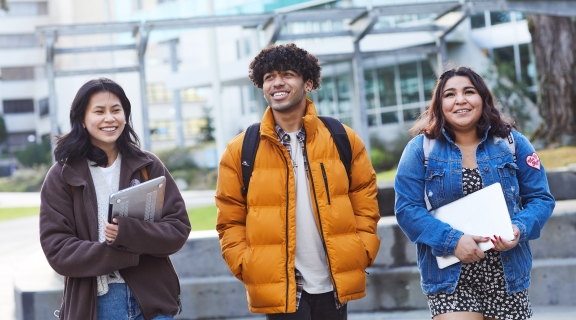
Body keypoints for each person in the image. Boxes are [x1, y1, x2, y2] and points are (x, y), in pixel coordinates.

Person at [215, 43, 381, 319]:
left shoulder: (342, 138)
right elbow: (229, 219)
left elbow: (365, 202)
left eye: (288, 74)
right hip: (281, 286)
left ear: (308, 82)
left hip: (333, 282)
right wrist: (247, 264)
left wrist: (361, 251)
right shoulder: (242, 149)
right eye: (269, 77)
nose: (277, 83)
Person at [394, 66, 555, 320]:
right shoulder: (419, 150)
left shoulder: (513, 143)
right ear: (439, 104)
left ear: (482, 98)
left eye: (469, 91)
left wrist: (518, 228)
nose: (460, 100)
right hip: (450, 278)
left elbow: (541, 199)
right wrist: (453, 241)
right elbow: (407, 210)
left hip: (507, 272)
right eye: (450, 94)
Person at [39, 78, 191, 320]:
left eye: (116, 110)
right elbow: (58, 251)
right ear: (82, 119)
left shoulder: (148, 165)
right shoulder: (62, 175)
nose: (109, 118)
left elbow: (178, 229)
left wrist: (127, 233)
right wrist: (126, 253)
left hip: (153, 302)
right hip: (97, 305)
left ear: (125, 115)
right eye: (99, 111)